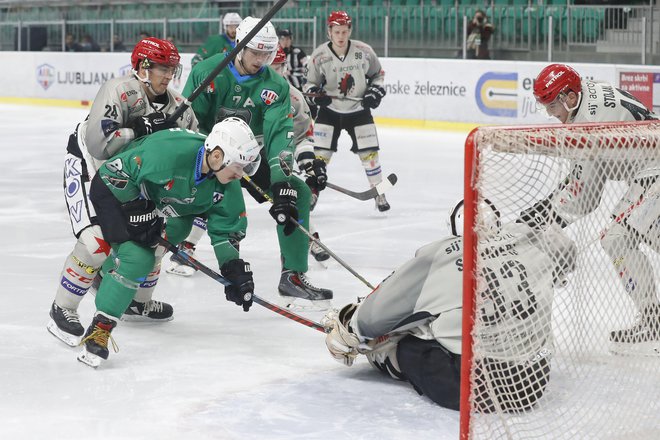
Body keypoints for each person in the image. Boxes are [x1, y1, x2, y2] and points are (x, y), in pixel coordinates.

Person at [322, 201, 576, 410]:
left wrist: (349, 329)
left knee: (405, 339)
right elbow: (567, 253)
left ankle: (381, 355)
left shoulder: (443, 255)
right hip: (533, 381)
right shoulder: (530, 243)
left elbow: (370, 320)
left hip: (472, 388)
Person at [47, 37, 198, 347]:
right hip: (91, 167)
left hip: (134, 176)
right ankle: (62, 309)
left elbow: (194, 146)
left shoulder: (177, 106)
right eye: (162, 69)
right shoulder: (120, 90)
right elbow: (96, 143)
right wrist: (139, 129)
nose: (168, 76)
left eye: (172, 69)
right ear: (143, 67)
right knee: (96, 243)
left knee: (154, 240)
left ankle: (136, 301)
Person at [78, 118, 259, 368]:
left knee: (178, 227)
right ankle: (100, 328)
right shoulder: (167, 153)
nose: (241, 174)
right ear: (217, 156)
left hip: (158, 203)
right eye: (238, 166)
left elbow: (226, 228)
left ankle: (109, 273)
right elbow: (109, 178)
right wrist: (138, 215)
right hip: (116, 192)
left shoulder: (226, 183)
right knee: (138, 259)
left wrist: (233, 269)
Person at [182, 17, 333, 310]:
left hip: (246, 158)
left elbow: (280, 134)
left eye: (268, 54)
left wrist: (281, 182)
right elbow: (191, 124)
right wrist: (206, 164)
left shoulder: (275, 84)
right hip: (204, 155)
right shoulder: (207, 72)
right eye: (256, 53)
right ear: (239, 46)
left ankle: (293, 276)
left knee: (297, 194)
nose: (262, 60)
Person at [529, 63, 659, 355]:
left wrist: (538, 219)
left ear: (570, 98)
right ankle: (653, 321)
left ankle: (653, 322)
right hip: (650, 173)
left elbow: (583, 197)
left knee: (617, 238)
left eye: (552, 106)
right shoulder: (588, 93)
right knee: (625, 236)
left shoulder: (589, 123)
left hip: (655, 174)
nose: (551, 114)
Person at [304, 11, 390, 212]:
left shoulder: (364, 51)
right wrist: (317, 94)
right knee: (319, 156)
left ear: (350, 30)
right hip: (329, 111)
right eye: (337, 32)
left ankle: (380, 192)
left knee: (370, 154)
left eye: (344, 31)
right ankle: (312, 192)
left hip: (359, 110)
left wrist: (374, 92)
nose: (341, 36)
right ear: (329, 32)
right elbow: (308, 83)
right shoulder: (319, 55)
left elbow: (378, 75)